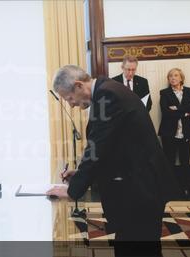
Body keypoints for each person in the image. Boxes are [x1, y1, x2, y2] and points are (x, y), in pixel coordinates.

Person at [46, 65, 179, 257]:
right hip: (138, 189)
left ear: (78, 85)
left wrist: (73, 188)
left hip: (141, 192)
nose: (71, 105)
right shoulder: (107, 89)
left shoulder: (107, 95)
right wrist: (81, 174)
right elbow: (112, 148)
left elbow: (97, 147)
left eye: (69, 98)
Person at [158, 68, 190, 196]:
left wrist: (176, 109)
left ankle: (185, 187)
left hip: (186, 132)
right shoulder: (164, 93)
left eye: (175, 75)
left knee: (185, 160)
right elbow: (166, 111)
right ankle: (170, 188)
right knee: (169, 161)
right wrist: (185, 112)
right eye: (170, 76)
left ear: (181, 78)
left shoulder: (189, 91)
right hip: (169, 132)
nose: (173, 78)